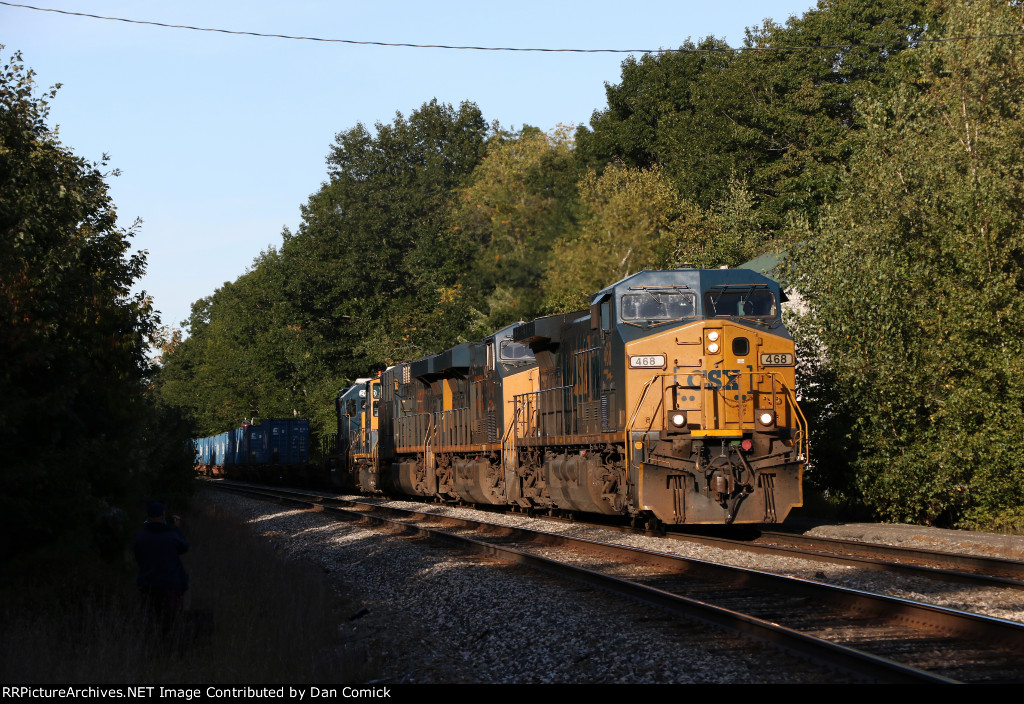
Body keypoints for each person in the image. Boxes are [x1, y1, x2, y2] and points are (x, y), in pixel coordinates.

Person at [134, 501, 189, 630]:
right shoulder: (170, 535)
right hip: (170, 586)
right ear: (162, 515)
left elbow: (138, 557)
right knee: (171, 623)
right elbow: (184, 547)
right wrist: (177, 528)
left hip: (148, 585)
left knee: (151, 622)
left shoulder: (141, 536)